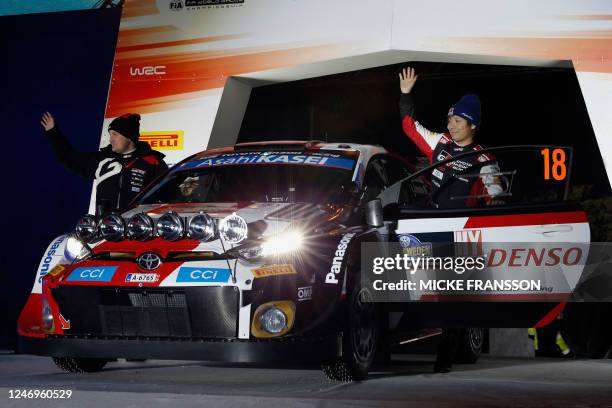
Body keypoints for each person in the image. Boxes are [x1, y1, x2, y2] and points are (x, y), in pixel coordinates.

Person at [398, 67, 504, 209]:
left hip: (461, 223)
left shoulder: (483, 159)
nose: (450, 126)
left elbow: (495, 190)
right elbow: (410, 127)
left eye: (457, 121)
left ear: (472, 125)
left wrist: (497, 198)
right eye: (449, 120)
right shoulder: (441, 141)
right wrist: (405, 94)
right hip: (432, 216)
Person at [41, 112, 168, 214]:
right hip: (105, 232)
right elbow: (69, 157)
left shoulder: (153, 162)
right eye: (110, 134)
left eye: (115, 134)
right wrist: (53, 132)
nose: (110, 139)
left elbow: (166, 196)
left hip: (139, 234)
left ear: (129, 137)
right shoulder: (101, 159)